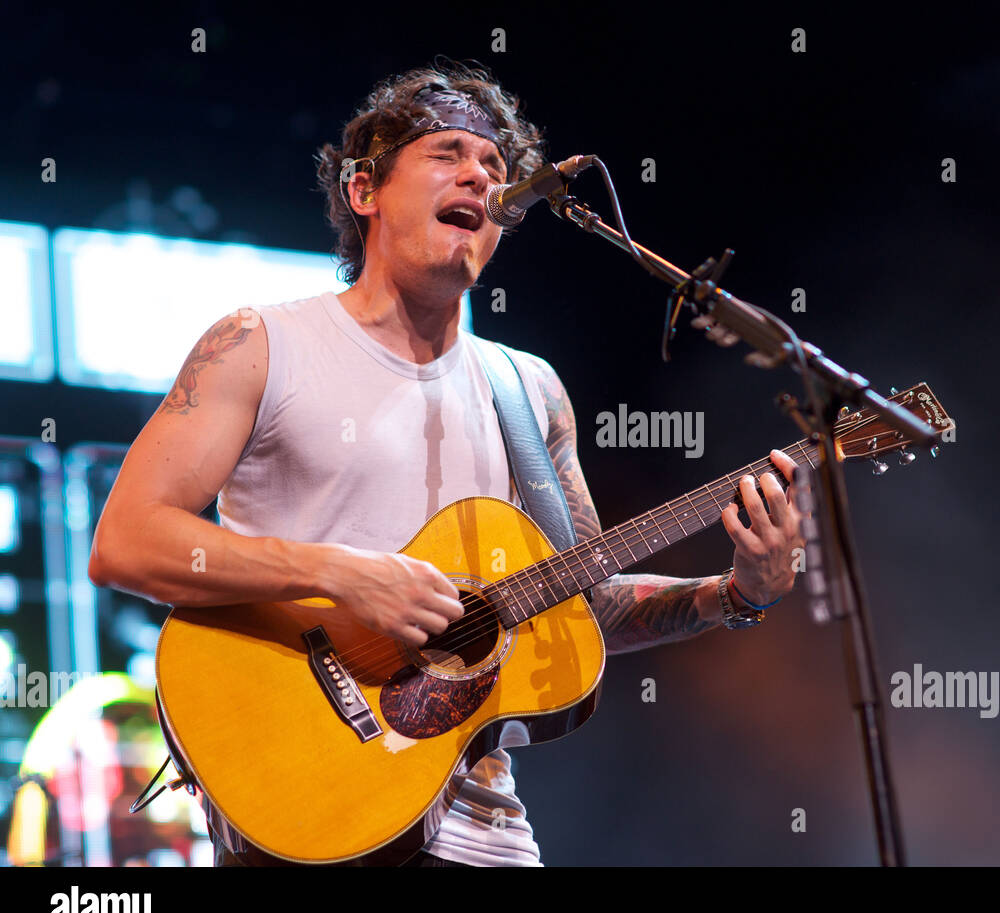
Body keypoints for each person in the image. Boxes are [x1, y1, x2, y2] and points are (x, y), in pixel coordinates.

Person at [87, 59, 803, 867]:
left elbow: (585, 606)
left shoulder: (529, 392)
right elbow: (127, 543)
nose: (480, 175)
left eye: (497, 168)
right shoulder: (259, 343)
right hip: (309, 800)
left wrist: (736, 594)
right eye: (449, 152)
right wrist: (348, 574)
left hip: (484, 830)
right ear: (365, 192)